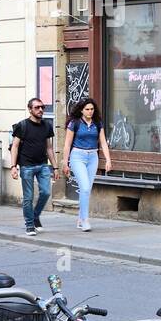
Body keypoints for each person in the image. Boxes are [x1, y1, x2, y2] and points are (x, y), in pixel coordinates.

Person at [62, 96, 112, 232]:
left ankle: (80, 218)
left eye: (92, 109)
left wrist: (108, 160)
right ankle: (85, 219)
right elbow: (67, 144)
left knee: (87, 189)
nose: (90, 112)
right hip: (78, 156)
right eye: (87, 109)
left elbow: (103, 142)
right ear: (82, 110)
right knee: (84, 187)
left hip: (93, 156)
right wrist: (65, 163)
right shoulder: (74, 123)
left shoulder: (98, 123)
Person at [8, 98, 57, 236]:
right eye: (37, 107)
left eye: (42, 107)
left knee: (46, 192)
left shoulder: (47, 126)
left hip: (42, 165)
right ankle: (29, 224)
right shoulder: (22, 126)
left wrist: (55, 167)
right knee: (28, 197)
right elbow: (15, 147)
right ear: (30, 109)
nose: (41, 110)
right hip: (27, 166)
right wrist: (13, 167)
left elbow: (49, 147)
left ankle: (35, 216)